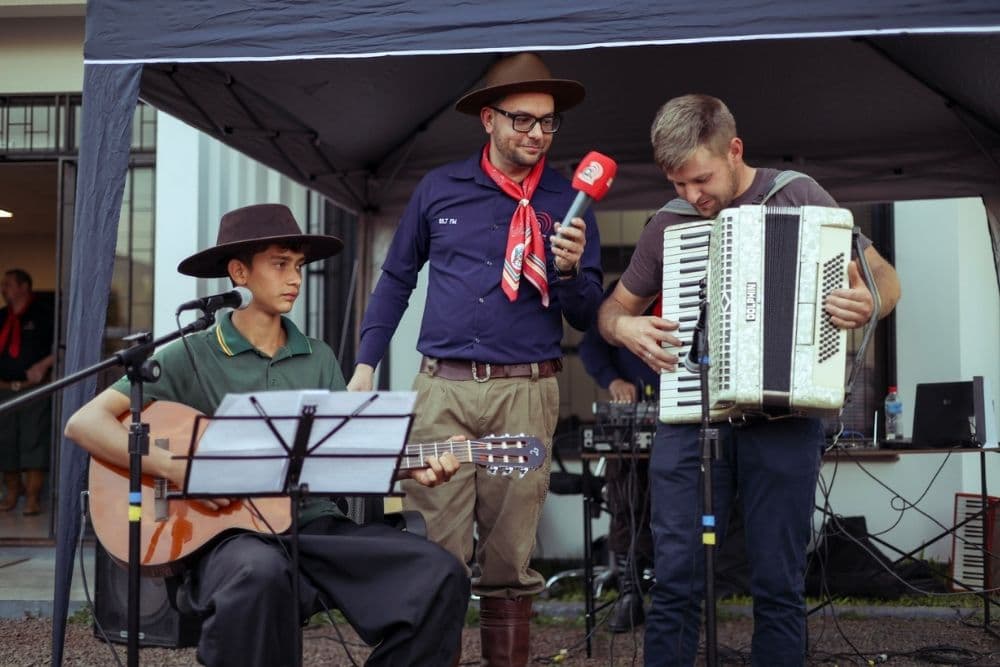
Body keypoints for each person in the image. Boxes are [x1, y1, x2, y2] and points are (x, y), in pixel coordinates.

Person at [65, 204, 469, 667]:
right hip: (230, 539)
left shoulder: (317, 357)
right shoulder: (190, 352)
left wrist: (417, 468)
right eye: (280, 264)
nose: (294, 278)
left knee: (440, 573)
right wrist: (174, 465)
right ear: (239, 271)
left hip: (314, 525)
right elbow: (85, 424)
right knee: (261, 573)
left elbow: (348, 459)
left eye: (297, 265)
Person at [597, 94, 901, 665]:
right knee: (677, 581)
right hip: (692, 421)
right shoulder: (669, 224)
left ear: (734, 150)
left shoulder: (800, 194)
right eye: (678, 183)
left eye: (701, 179)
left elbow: (884, 277)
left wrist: (869, 300)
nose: (691, 196)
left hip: (783, 422)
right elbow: (612, 311)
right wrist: (627, 328)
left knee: (778, 584)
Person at [347, 52, 603, 665]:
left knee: (511, 558)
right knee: (434, 551)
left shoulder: (571, 199)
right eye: (521, 120)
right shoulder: (440, 187)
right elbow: (396, 280)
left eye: (547, 122)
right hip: (443, 389)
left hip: (527, 389)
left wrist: (569, 271)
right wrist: (364, 365)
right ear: (487, 119)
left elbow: (587, 313)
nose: (535, 133)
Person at [579, 279, 657, 632]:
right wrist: (613, 380)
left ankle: (680, 596)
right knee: (625, 504)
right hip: (633, 416)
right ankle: (630, 593)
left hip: (686, 416)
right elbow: (592, 348)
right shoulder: (623, 291)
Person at [0, 268, 55, 516]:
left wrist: (44, 365)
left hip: (33, 390)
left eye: (9, 284)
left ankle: (33, 498)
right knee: (6, 444)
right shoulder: (1, 317)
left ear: (24, 287)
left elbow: (62, 346)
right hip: (4, 390)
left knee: (34, 442)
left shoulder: (44, 314)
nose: (4, 288)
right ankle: (12, 494)